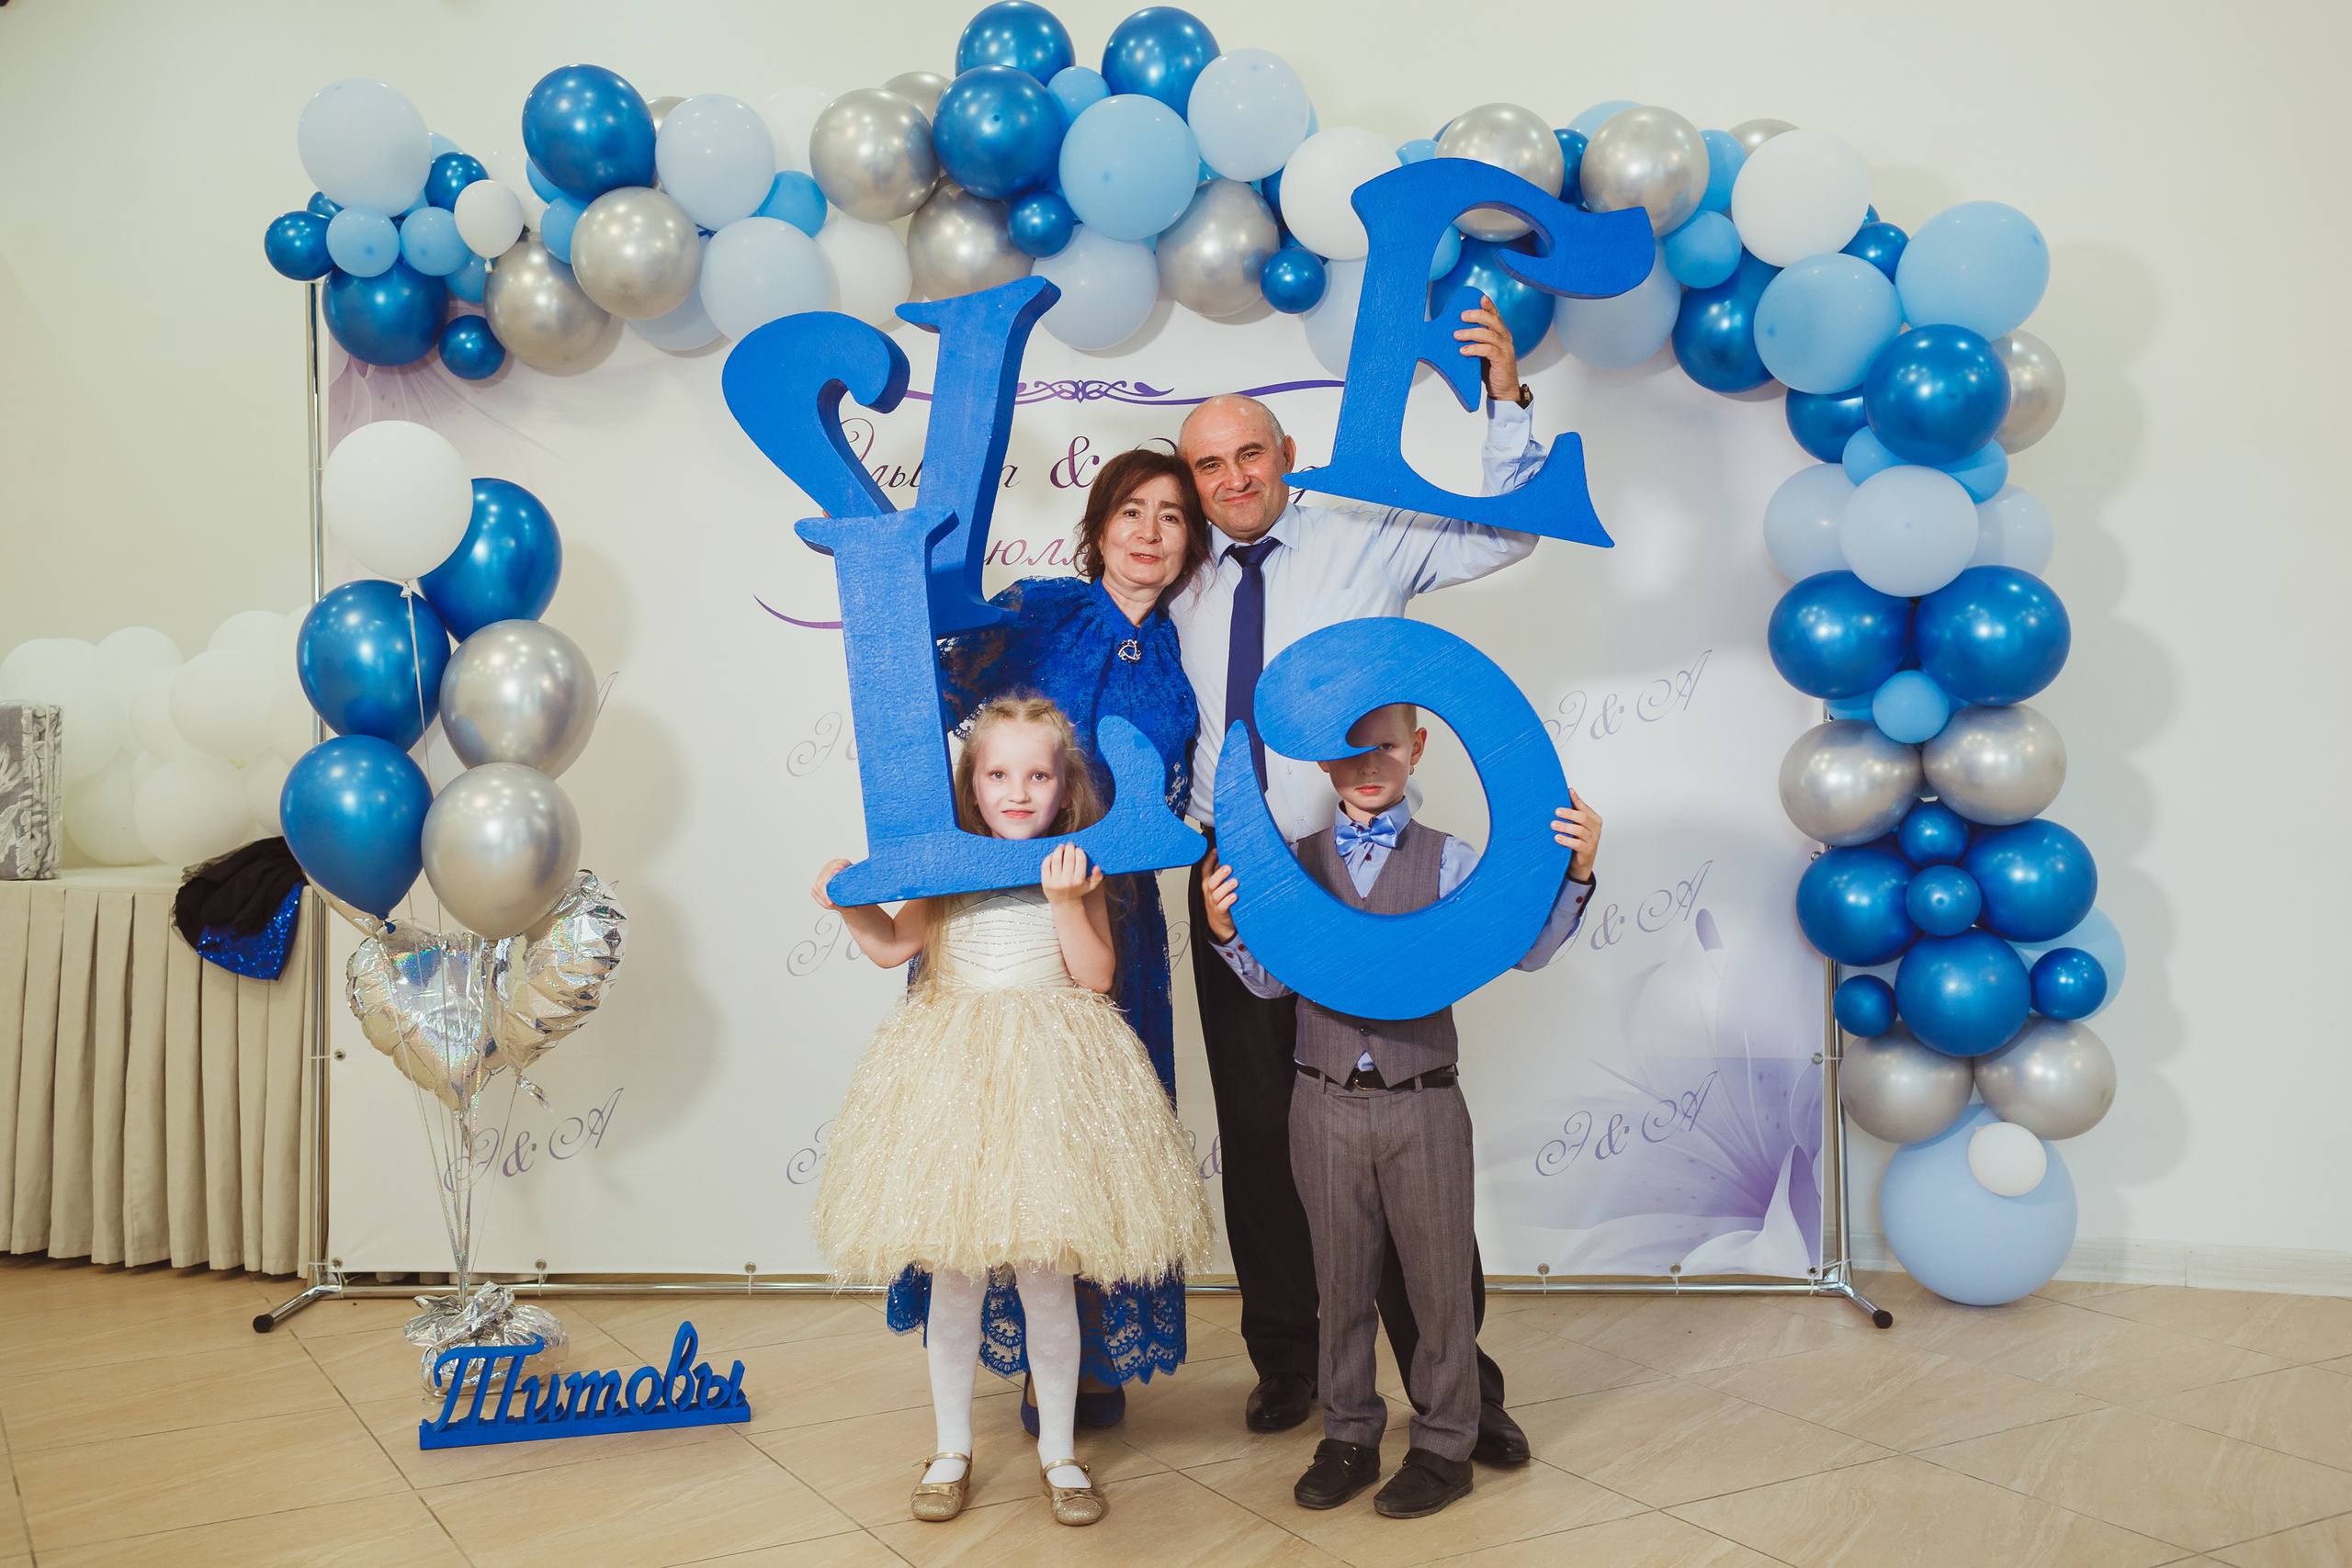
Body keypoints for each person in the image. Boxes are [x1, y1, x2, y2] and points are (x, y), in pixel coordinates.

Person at [1170, 298, 1553, 1457]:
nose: (1232, 478)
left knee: (1398, 1138)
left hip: (1362, 879)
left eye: (1249, 453)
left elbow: (1511, 534)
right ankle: (1289, 1362)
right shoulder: (1180, 586)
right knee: (1262, 1133)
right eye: (1208, 466)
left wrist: (1509, 404)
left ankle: (1458, 1385)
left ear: (1285, 457)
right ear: (1191, 484)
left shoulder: (1364, 528)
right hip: (1237, 886)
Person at [809, 695, 1214, 1528]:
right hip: (954, 1080)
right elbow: (895, 946)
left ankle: (1060, 1453)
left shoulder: (1076, 864)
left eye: (1037, 775)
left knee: (1047, 1279)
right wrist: (844, 899)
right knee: (954, 1278)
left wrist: (1068, 900)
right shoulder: (941, 865)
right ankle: (951, 1447)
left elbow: (1097, 974)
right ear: (973, 784)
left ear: (1065, 791)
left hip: (1051, 1084)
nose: (1017, 791)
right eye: (998, 774)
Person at [1201, 703, 1601, 1518]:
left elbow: (1522, 948)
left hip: (1423, 1105)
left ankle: (1448, 1440)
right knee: (1339, 1282)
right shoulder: (1291, 866)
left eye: (1386, 745)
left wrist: (1576, 874)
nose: (1369, 763)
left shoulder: (1453, 861)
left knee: (1438, 1285)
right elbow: (1272, 984)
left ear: (1418, 749)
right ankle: (1348, 1431)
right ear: (1319, 761)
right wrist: (1223, 930)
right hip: (1322, 1103)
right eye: (1349, 751)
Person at [933, 448, 1211, 1427]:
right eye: (1130, 512)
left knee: (1091, 1139)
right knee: (999, 1132)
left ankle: (1084, 1364)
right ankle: (1003, 1355)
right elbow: (937, 692)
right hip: (997, 928)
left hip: (1114, 934)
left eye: (1171, 517)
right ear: (1096, 530)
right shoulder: (1036, 607)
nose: (1147, 532)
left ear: (1189, 544)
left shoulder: (1190, 656)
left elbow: (1185, 805)